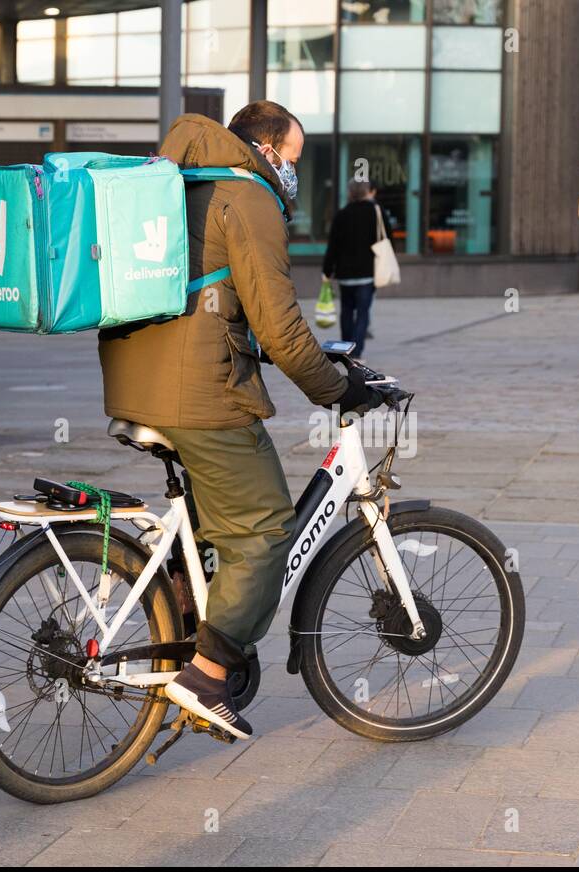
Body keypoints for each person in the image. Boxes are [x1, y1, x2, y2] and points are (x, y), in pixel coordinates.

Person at [97, 101, 384, 740]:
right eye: (294, 159)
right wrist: (335, 388)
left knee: (209, 528)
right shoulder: (247, 197)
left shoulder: (181, 179)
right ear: (266, 148)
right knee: (262, 531)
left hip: (134, 380)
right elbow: (280, 329)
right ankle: (205, 675)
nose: (293, 175)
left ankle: (177, 619)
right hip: (199, 394)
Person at [322, 178, 390, 356]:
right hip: (368, 272)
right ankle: (356, 351)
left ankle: (346, 348)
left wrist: (327, 270)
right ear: (368, 191)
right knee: (362, 312)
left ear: (350, 192)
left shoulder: (342, 214)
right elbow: (387, 237)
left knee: (346, 311)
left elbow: (333, 246)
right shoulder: (376, 212)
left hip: (345, 274)